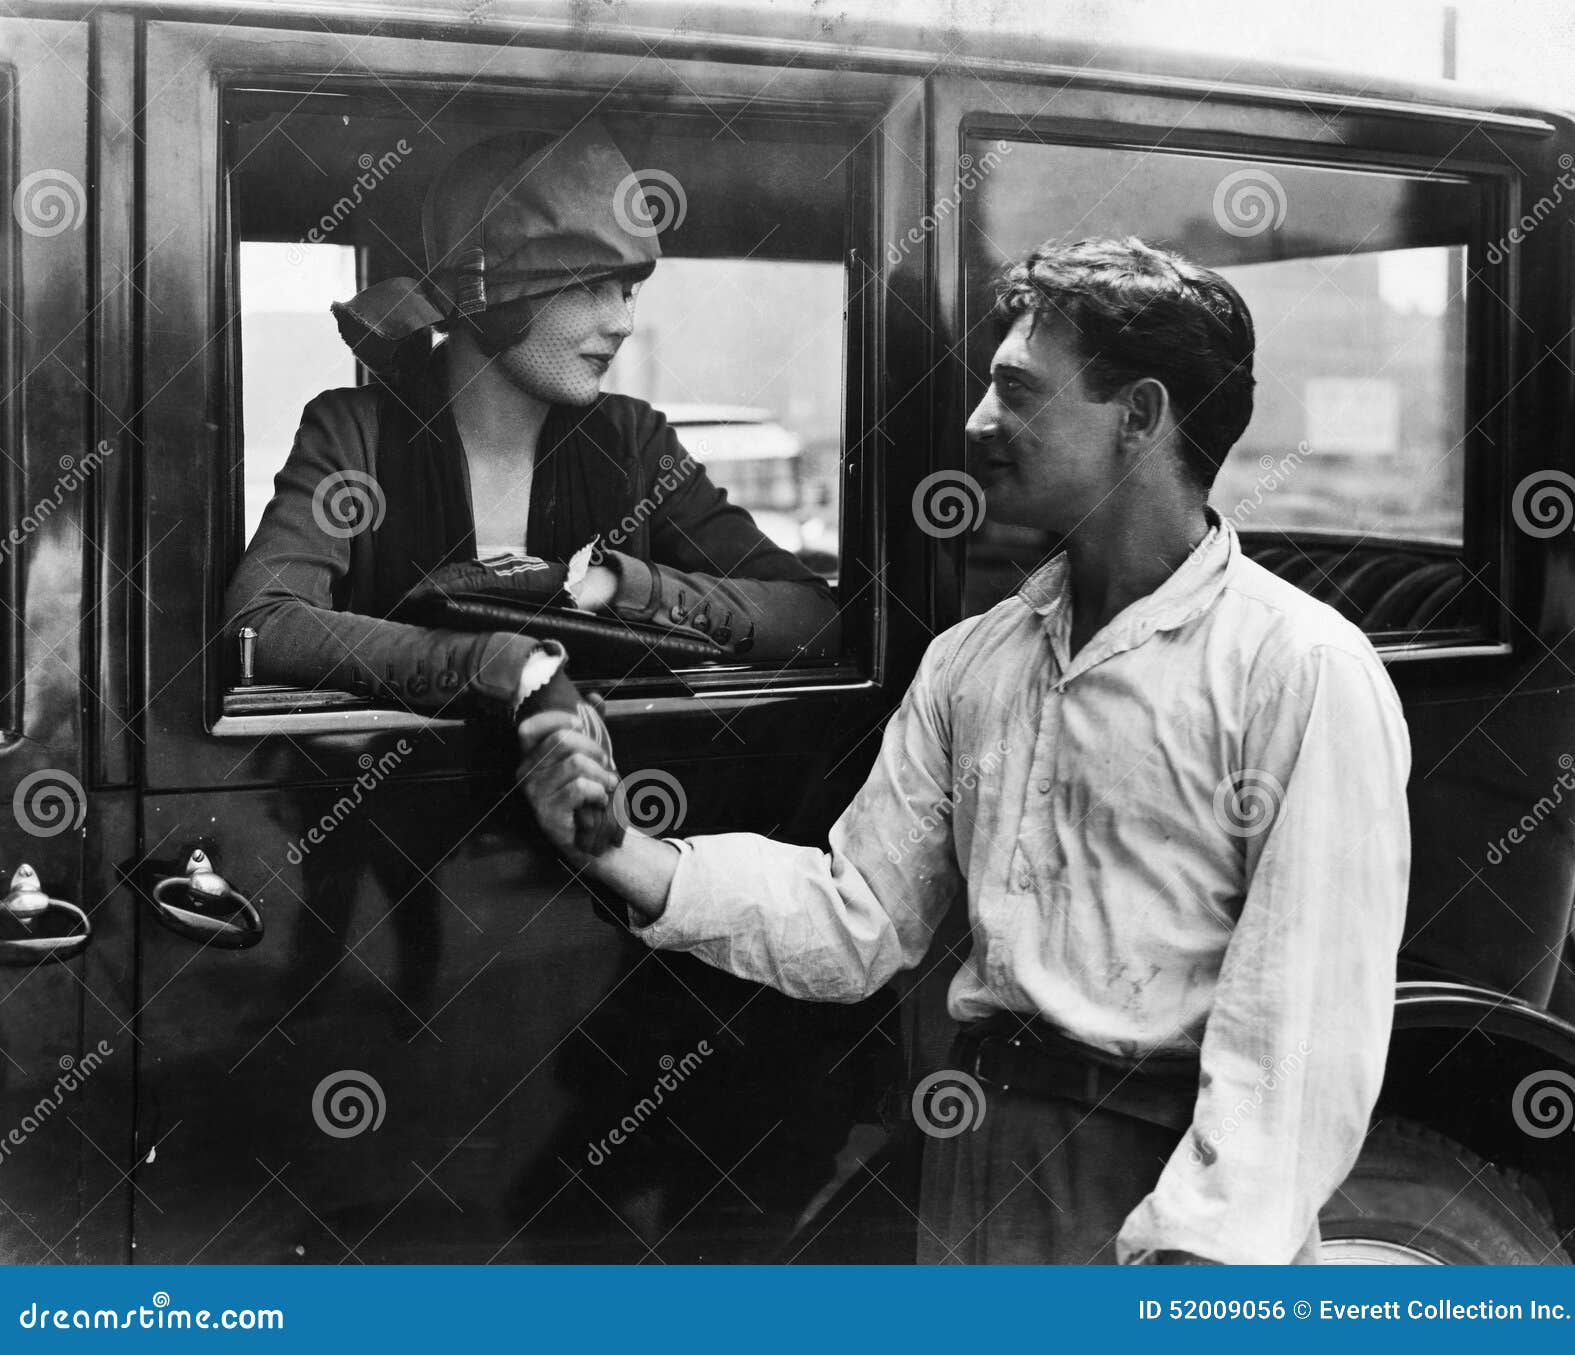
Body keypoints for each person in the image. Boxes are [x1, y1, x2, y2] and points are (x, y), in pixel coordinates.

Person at [516, 235, 1411, 1265]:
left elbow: (1300, 1030)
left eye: (1018, 390)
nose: (980, 421)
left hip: (1159, 1192)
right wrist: (619, 846)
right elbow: (857, 916)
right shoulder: (975, 660)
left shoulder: (1299, 669)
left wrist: (1195, 1257)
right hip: (976, 1160)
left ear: (1139, 417)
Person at [225, 123, 841, 723]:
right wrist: (499, 668)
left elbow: (815, 614)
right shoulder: (354, 434)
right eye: (592, 287)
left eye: (628, 291)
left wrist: (616, 586)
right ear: (485, 295)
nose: (623, 322)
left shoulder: (636, 442)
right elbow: (263, 621)